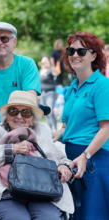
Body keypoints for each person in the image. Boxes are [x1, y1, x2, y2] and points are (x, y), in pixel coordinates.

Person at [0, 91, 74, 220]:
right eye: (13, 111)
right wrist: (11, 149)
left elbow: (59, 157)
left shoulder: (42, 131)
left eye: (26, 113)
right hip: (3, 194)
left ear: (33, 118)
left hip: (41, 193)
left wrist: (64, 165)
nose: (19, 116)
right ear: (6, 115)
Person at [53, 31, 109, 220]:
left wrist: (85, 156)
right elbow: (65, 127)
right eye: (71, 50)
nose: (75, 55)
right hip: (72, 161)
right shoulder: (72, 87)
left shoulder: (102, 85)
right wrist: (51, 135)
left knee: (93, 214)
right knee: (77, 214)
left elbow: (106, 128)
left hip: (94, 160)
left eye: (81, 51)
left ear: (94, 55)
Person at [39, 55, 59, 131]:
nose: (44, 63)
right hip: (42, 94)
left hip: (50, 93)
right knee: (46, 112)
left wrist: (51, 65)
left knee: (50, 111)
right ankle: (49, 129)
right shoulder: (40, 71)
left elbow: (56, 73)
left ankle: (55, 129)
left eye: (46, 61)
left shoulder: (50, 70)